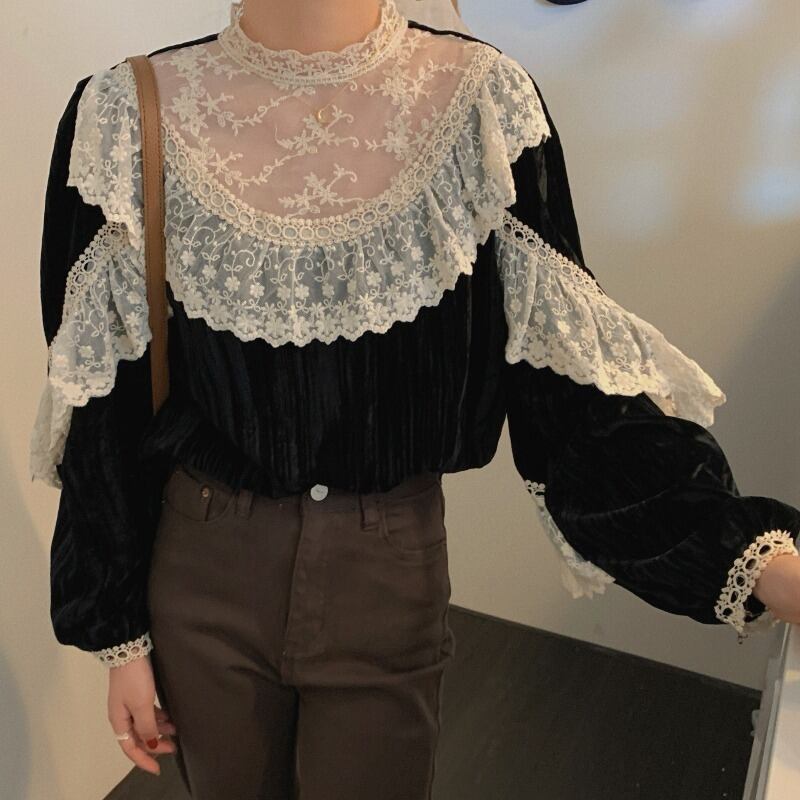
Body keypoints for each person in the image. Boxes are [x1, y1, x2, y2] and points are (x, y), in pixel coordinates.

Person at [29, 0, 800, 797]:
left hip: (386, 569)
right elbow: (102, 408)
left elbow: (578, 405)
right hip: (201, 565)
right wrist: (118, 634)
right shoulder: (127, 113)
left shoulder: (482, 102)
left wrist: (752, 557)